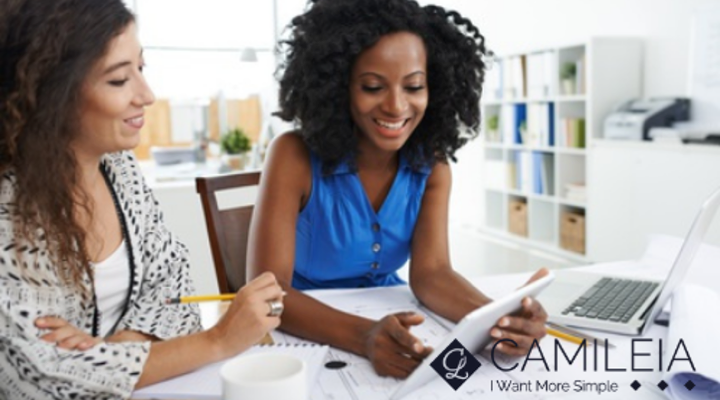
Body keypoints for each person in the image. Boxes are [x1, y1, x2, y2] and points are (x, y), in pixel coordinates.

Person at [248, 0, 549, 378]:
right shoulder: (292, 156)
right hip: (305, 335)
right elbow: (268, 293)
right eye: (373, 86)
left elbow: (432, 273)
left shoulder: (431, 165)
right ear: (339, 86)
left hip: (393, 323)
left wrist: (498, 320)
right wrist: (364, 336)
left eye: (414, 86)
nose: (395, 106)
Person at [0, 0, 283, 398]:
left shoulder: (121, 169)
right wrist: (218, 340)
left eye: (141, 68)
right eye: (119, 80)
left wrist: (112, 352)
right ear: (49, 92)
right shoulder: (9, 211)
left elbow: (176, 284)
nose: (147, 95)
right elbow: (38, 377)